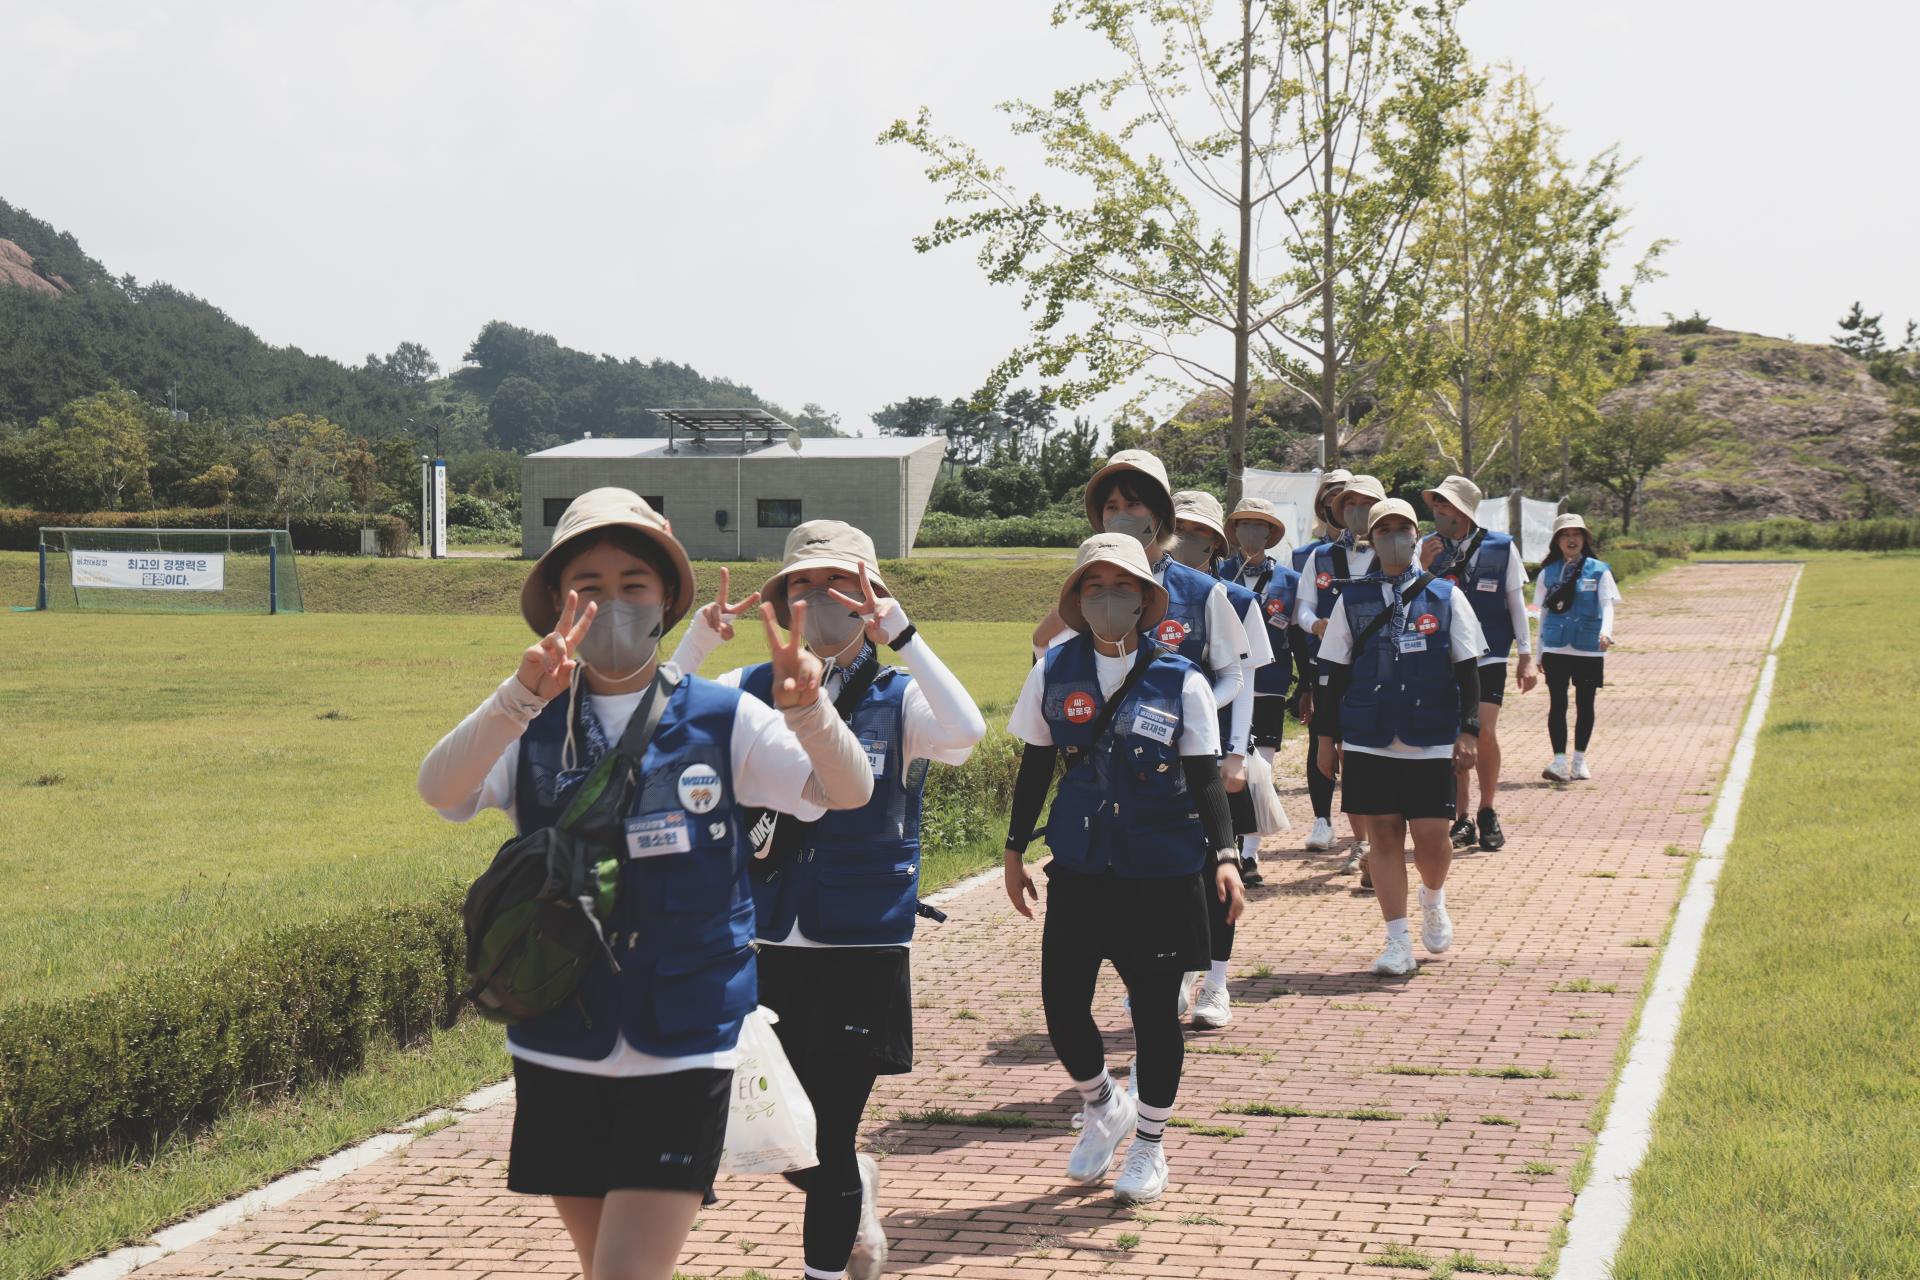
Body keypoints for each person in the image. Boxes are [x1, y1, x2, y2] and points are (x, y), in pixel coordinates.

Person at [416, 490, 875, 1280]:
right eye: (589, 586)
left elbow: (845, 790)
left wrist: (808, 714)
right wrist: (518, 697)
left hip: (686, 1036)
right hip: (558, 1032)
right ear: (558, 602)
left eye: (634, 584)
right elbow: (441, 790)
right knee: (605, 1268)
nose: (614, 603)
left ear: (666, 599)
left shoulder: (722, 715)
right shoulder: (530, 717)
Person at [667, 521, 985, 1280]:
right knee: (784, 1134)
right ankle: (853, 1190)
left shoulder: (899, 697)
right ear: (782, 602)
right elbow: (655, 722)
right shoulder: (749, 688)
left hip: (862, 942)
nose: (820, 598)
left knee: (830, 1132)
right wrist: (697, 643)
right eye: (802, 585)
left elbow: (966, 731)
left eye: (841, 583)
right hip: (767, 940)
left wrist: (903, 634)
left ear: (870, 595)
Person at [1002, 533, 1245, 1205]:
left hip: (1160, 869)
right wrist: (1015, 850)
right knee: (1062, 1006)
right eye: (1094, 587)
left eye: (1122, 587)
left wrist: (1226, 857)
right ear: (1077, 600)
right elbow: (1036, 763)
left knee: (1155, 1014)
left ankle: (1150, 1145)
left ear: (1144, 600)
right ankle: (1103, 1103)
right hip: (1080, 862)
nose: (1108, 599)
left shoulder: (1182, 678)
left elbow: (1204, 778)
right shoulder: (1054, 669)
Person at [1029, 450, 1253, 1019]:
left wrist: (1203, 728)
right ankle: (1160, 984)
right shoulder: (1089, 586)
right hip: (1112, 775)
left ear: (1160, 515)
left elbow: (1235, 674)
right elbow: (1045, 651)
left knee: (1205, 875)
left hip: (1190, 762)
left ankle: (1215, 983)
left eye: (1135, 505)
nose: (1123, 516)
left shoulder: (1202, 591)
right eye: (1111, 507)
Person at [1311, 499, 1486, 976]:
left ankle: (1433, 897)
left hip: (1430, 732)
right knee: (1384, 836)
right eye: (1383, 530)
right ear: (1370, 539)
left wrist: (1469, 730)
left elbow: (1469, 669)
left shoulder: (1446, 596)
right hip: (1368, 734)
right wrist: (1326, 739)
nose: (1393, 537)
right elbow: (1332, 674)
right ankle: (1397, 940)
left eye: (1402, 528)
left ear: (1416, 534)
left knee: (1431, 837)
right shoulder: (1352, 599)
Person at [1168, 489, 1270, 1029]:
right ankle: (1172, 973)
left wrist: (1236, 752)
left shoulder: (1236, 599)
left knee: (1217, 868)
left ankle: (1217, 982)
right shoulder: (1143, 592)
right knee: (1164, 867)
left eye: (1196, 532)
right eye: (1177, 528)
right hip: (1154, 753)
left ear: (1215, 543)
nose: (1184, 539)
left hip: (1212, 753)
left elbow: (1244, 679)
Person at [1418, 475, 1536, 853]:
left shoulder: (1501, 547)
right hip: (1442, 653)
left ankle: (1487, 809)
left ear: (1464, 511)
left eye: (1445, 504)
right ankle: (1462, 817)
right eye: (1436, 504)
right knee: (1454, 734)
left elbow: (1516, 602)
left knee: (1483, 730)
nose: (1438, 511)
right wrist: (1423, 566)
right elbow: (1410, 593)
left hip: (1491, 651)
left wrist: (1526, 656)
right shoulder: (1426, 546)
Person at [1293, 473, 1388, 875]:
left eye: (1366, 504)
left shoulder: (1396, 550)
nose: (1357, 511)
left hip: (1382, 665)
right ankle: (1361, 841)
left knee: (1376, 752)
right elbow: (1302, 607)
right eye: (1349, 504)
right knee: (1339, 748)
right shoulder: (1321, 556)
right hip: (1332, 665)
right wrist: (1314, 624)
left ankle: (1383, 838)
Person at [1215, 495, 1300, 893]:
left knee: (1259, 771)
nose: (1252, 531)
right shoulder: (1218, 574)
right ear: (1234, 531)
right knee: (1225, 769)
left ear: (1270, 533)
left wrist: (1308, 685)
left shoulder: (1288, 580)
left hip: (1269, 685)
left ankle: (1250, 854)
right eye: (1245, 524)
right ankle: (1225, 847)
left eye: (1260, 525)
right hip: (1225, 684)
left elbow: (1298, 638)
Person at [1534, 513, 1619, 782]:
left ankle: (1579, 760)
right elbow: (1542, 613)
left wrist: (1606, 632)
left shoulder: (1599, 570)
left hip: (1588, 646)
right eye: (1565, 535)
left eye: (1577, 534)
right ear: (1557, 541)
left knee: (1585, 704)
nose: (1572, 540)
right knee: (1557, 704)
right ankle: (1559, 760)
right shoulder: (1547, 572)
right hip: (1556, 647)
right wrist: (1538, 652)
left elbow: (1607, 605)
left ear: (1584, 539)